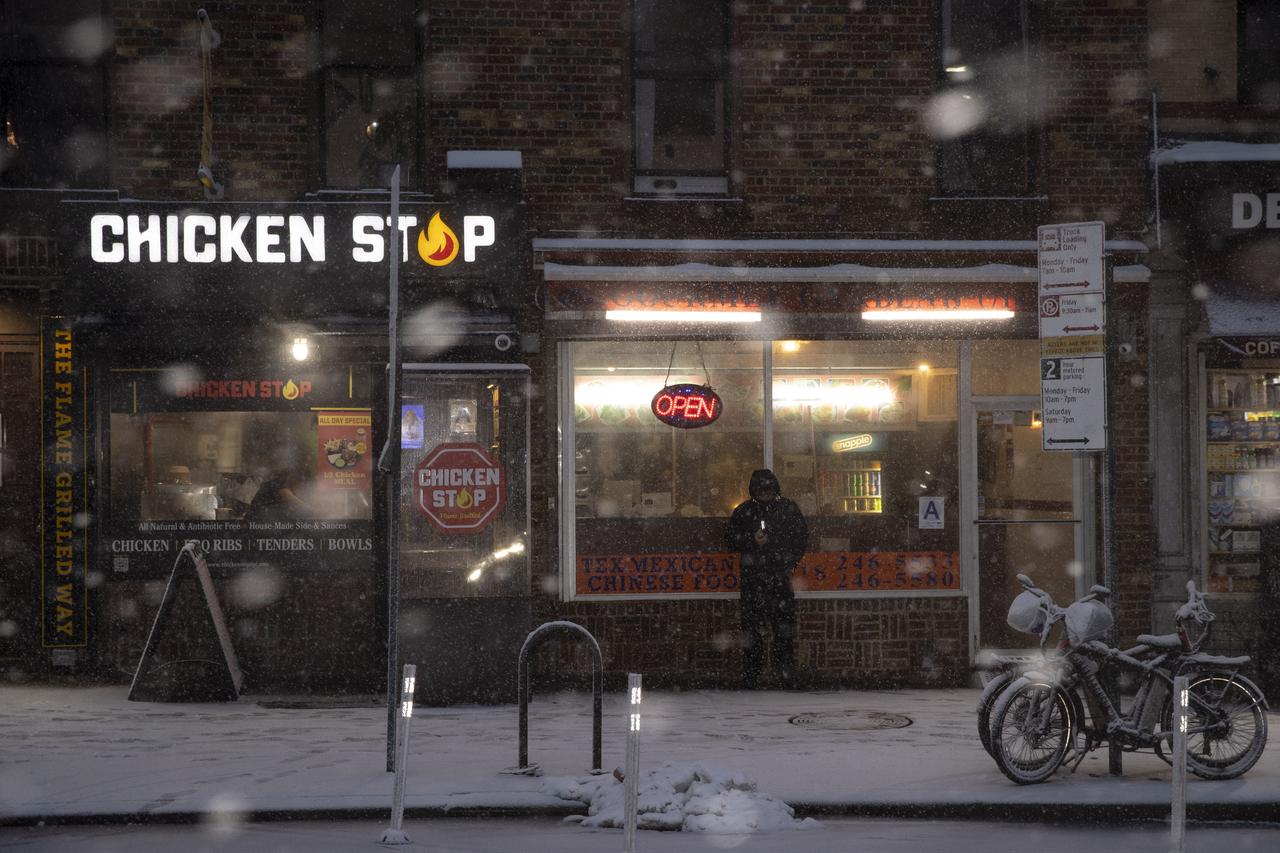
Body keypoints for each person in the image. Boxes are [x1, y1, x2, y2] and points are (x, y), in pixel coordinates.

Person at [725, 468, 808, 689]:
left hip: (778, 579)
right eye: (761, 489)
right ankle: (753, 676)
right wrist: (752, 540)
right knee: (753, 632)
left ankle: (785, 675)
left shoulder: (787, 510)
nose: (765, 493)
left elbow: (800, 539)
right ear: (753, 490)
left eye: (768, 489)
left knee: (783, 631)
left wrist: (785, 559)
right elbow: (731, 540)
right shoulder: (744, 511)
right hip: (755, 580)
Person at [244, 466, 313, 522]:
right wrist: (316, 511)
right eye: (302, 484)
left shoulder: (278, 484)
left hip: (259, 524)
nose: (301, 488)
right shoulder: (281, 486)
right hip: (258, 525)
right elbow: (297, 504)